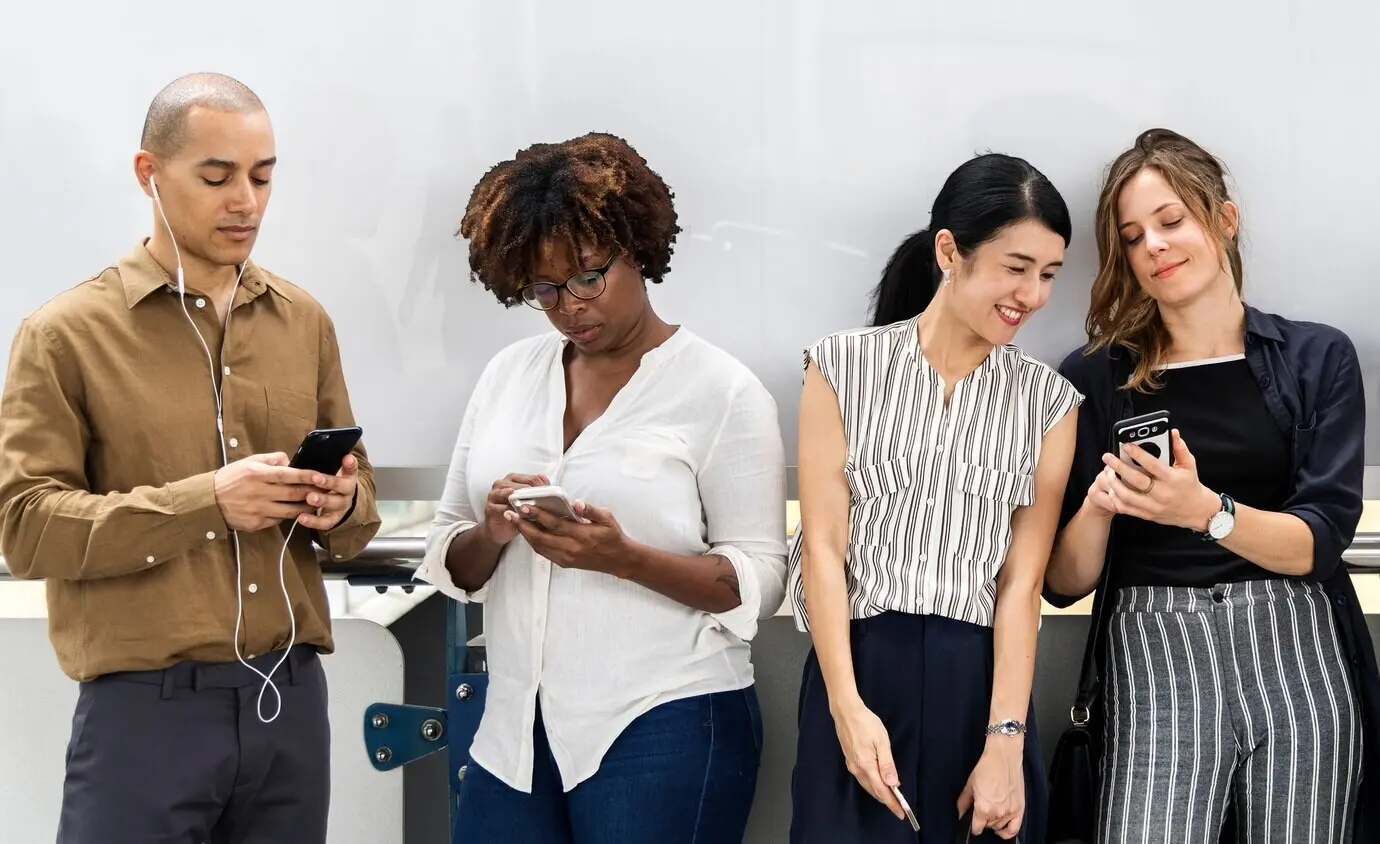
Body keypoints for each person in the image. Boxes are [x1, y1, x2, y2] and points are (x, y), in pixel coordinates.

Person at [0, 72, 381, 844]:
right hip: (145, 715)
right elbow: (25, 527)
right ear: (149, 173)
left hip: (291, 706)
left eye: (263, 176)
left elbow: (358, 502)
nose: (246, 200)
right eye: (217, 176)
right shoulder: (64, 335)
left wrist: (342, 505)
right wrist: (207, 501)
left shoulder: (304, 322)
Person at [415, 132, 785, 844]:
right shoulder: (506, 377)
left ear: (636, 251)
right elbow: (451, 557)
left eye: (587, 276)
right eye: (544, 289)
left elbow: (761, 581)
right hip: (514, 735)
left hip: (666, 721)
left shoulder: (721, 391)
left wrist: (622, 556)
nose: (568, 306)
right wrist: (491, 532)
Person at [1044, 127, 1380, 844]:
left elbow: (1318, 543)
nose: (1154, 247)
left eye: (1171, 221)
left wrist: (1205, 511)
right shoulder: (1094, 377)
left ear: (1224, 221)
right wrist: (1103, 508)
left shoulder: (1317, 358)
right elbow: (1064, 582)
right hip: (1156, 653)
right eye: (1133, 237)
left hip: (1296, 650)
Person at [787, 153, 1082, 843]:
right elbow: (824, 551)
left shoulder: (1050, 403)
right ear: (950, 250)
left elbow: (1021, 581)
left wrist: (1006, 741)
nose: (1033, 295)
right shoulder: (839, 366)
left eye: (1048, 275)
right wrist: (846, 711)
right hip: (857, 669)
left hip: (980, 688)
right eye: (1017, 267)